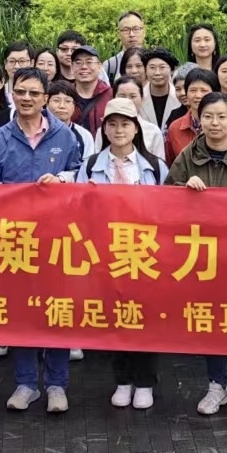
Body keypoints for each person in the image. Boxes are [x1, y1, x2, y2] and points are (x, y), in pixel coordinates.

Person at [0, 67, 84, 413]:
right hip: (15, 240)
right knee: (22, 311)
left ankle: (57, 384)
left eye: (34, 93)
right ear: (11, 94)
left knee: (57, 310)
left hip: (57, 238)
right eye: (21, 92)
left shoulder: (65, 136)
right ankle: (26, 383)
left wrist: (61, 180)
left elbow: (79, 174)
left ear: (45, 98)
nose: (27, 98)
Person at [165, 92, 227, 418]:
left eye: (222, 116)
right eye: (208, 116)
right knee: (211, 321)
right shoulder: (188, 156)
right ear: (199, 119)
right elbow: (165, 199)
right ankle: (216, 384)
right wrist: (185, 189)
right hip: (202, 254)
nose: (215, 123)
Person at [75, 98, 165, 409]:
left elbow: (170, 210)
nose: (119, 130)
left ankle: (145, 382)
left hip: (145, 255)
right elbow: (77, 209)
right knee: (116, 320)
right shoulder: (91, 165)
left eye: (125, 124)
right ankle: (123, 380)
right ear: (104, 129)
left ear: (136, 128)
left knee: (144, 319)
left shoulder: (154, 166)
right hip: (106, 255)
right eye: (112, 124)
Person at [166, 67, 220, 166]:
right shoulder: (175, 128)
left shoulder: (226, 125)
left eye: (204, 90)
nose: (198, 95)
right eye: (193, 90)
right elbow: (171, 165)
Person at [103, 77, 167, 158]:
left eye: (133, 96)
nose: (127, 101)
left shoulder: (153, 132)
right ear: (113, 98)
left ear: (142, 99)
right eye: (122, 96)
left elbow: (159, 162)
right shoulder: (105, 129)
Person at [69, 46, 112, 135]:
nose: (84, 67)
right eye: (78, 62)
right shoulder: (66, 95)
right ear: (72, 67)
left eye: (89, 62)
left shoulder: (111, 95)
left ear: (99, 66)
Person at [46, 80, 93, 160]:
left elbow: (86, 165)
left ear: (74, 106)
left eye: (68, 101)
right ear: (46, 103)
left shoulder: (84, 135)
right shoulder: (37, 132)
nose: (62, 106)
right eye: (56, 100)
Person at [142, 48, 180, 130]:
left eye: (162, 67)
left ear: (172, 70)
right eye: (152, 68)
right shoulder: (139, 97)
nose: (157, 73)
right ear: (145, 70)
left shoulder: (180, 97)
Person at [103, 11, 147, 81]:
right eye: (126, 30)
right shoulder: (110, 65)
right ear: (119, 34)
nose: (131, 34)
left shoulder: (153, 61)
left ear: (144, 32)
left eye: (136, 29)